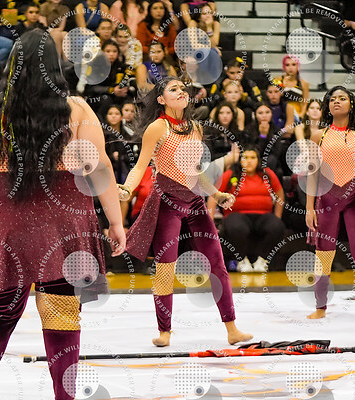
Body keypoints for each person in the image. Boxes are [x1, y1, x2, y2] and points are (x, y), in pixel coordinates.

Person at [0, 29, 126, 400]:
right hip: (64, 220)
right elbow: (100, 169)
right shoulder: (77, 109)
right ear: (56, 66)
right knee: (62, 318)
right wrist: (115, 221)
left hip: (5, 221)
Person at [118, 76, 252, 347]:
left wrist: (216, 194)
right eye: (173, 89)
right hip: (167, 201)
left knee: (217, 264)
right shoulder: (157, 127)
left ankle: (232, 329)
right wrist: (128, 189)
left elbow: (196, 172)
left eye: (183, 88)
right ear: (161, 99)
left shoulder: (195, 127)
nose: (181, 91)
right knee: (165, 268)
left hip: (195, 202)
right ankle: (165, 332)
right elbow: (141, 165)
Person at [305, 86, 355, 320]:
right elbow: (312, 173)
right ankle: (320, 307)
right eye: (332, 99)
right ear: (327, 106)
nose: (336, 102)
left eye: (342, 98)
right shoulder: (318, 136)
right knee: (323, 253)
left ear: (351, 104)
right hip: (327, 199)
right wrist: (309, 207)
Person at [209, 144, 285, 272]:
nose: (249, 161)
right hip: (236, 215)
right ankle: (242, 260)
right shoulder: (230, 174)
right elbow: (213, 196)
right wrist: (210, 221)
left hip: (263, 216)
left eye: (252, 157)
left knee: (277, 225)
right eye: (245, 157)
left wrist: (277, 216)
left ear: (258, 160)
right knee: (237, 227)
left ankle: (262, 260)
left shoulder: (267, 173)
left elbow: (280, 194)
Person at [274, 55, 310, 119]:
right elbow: (274, 98)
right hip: (280, 113)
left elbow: (305, 103)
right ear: (284, 67)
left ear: (298, 66)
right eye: (287, 65)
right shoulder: (277, 81)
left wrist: (301, 115)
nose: (290, 68)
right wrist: (283, 86)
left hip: (297, 114)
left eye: (293, 64)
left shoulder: (304, 83)